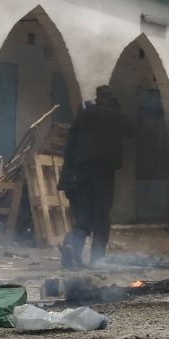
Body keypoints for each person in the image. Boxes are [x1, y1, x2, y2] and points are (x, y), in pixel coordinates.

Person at [59, 86, 132, 268]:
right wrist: (118, 109)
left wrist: (69, 172)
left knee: (84, 217)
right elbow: (133, 130)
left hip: (81, 174)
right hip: (104, 175)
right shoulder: (114, 115)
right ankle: (97, 258)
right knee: (101, 216)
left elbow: (70, 144)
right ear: (109, 98)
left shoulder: (85, 114)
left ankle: (71, 246)